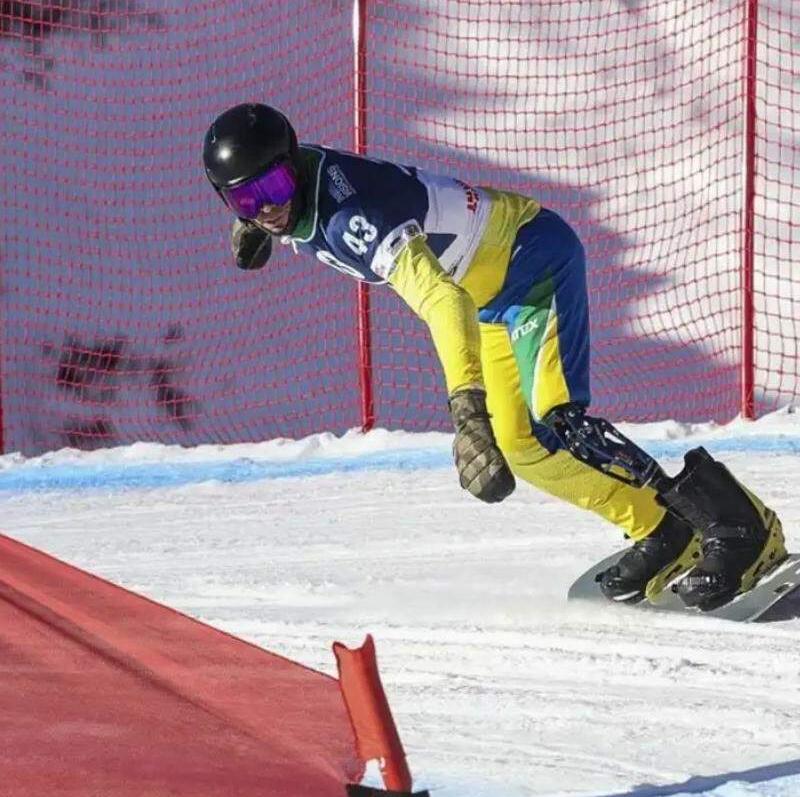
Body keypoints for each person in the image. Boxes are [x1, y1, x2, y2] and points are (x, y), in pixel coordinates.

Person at [202, 103, 786, 611]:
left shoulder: (353, 217)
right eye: (244, 199)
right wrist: (264, 223)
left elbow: (441, 298)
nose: (266, 207)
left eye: (274, 189)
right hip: (495, 302)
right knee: (524, 447)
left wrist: (466, 411)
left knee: (562, 420)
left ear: (293, 167)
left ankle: (738, 527)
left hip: (532, 262)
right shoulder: (297, 190)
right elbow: (281, 195)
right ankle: (661, 529)